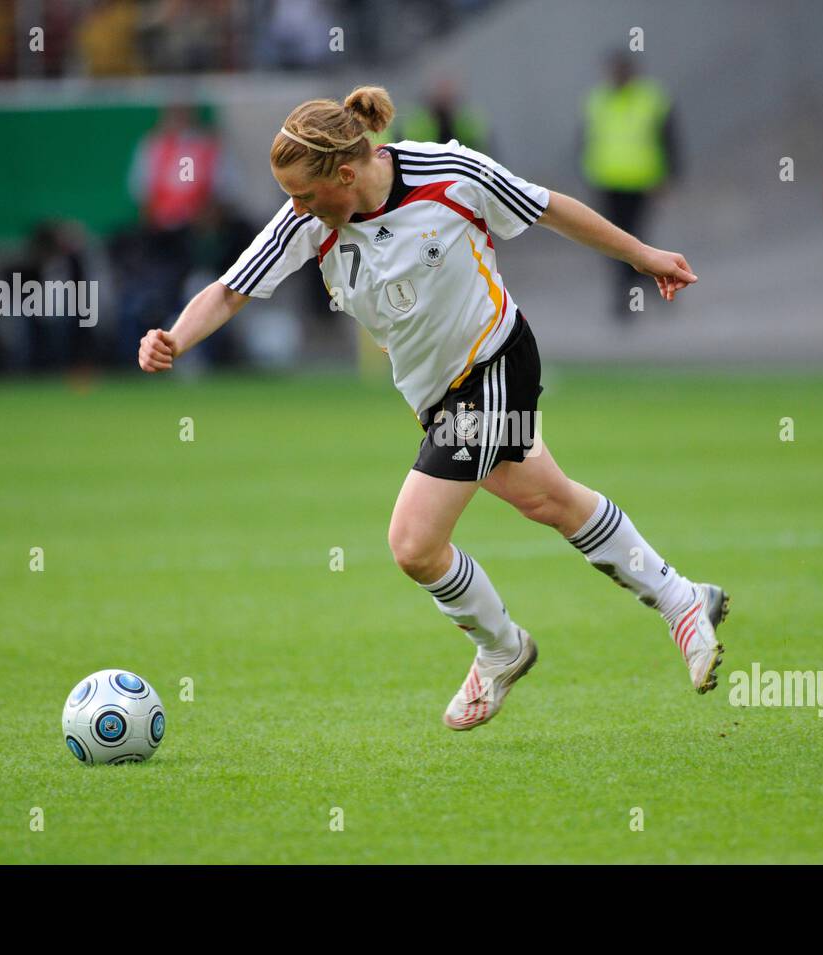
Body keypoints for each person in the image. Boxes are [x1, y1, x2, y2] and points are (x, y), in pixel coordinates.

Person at [137, 86, 727, 731]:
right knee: (550, 500)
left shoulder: (450, 173)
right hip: (434, 394)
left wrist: (643, 256)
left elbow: (551, 209)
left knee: (414, 543)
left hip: (495, 362)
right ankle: (681, 597)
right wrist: (175, 337)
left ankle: (502, 648)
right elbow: (229, 291)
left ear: (345, 172)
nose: (296, 208)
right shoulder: (308, 221)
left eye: (304, 195)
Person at [580, 52, 680, 321]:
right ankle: (636, 292)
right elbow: (587, 139)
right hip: (608, 181)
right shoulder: (598, 100)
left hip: (641, 181)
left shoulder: (651, 98)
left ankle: (639, 289)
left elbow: (668, 139)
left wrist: (668, 177)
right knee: (613, 241)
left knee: (634, 239)